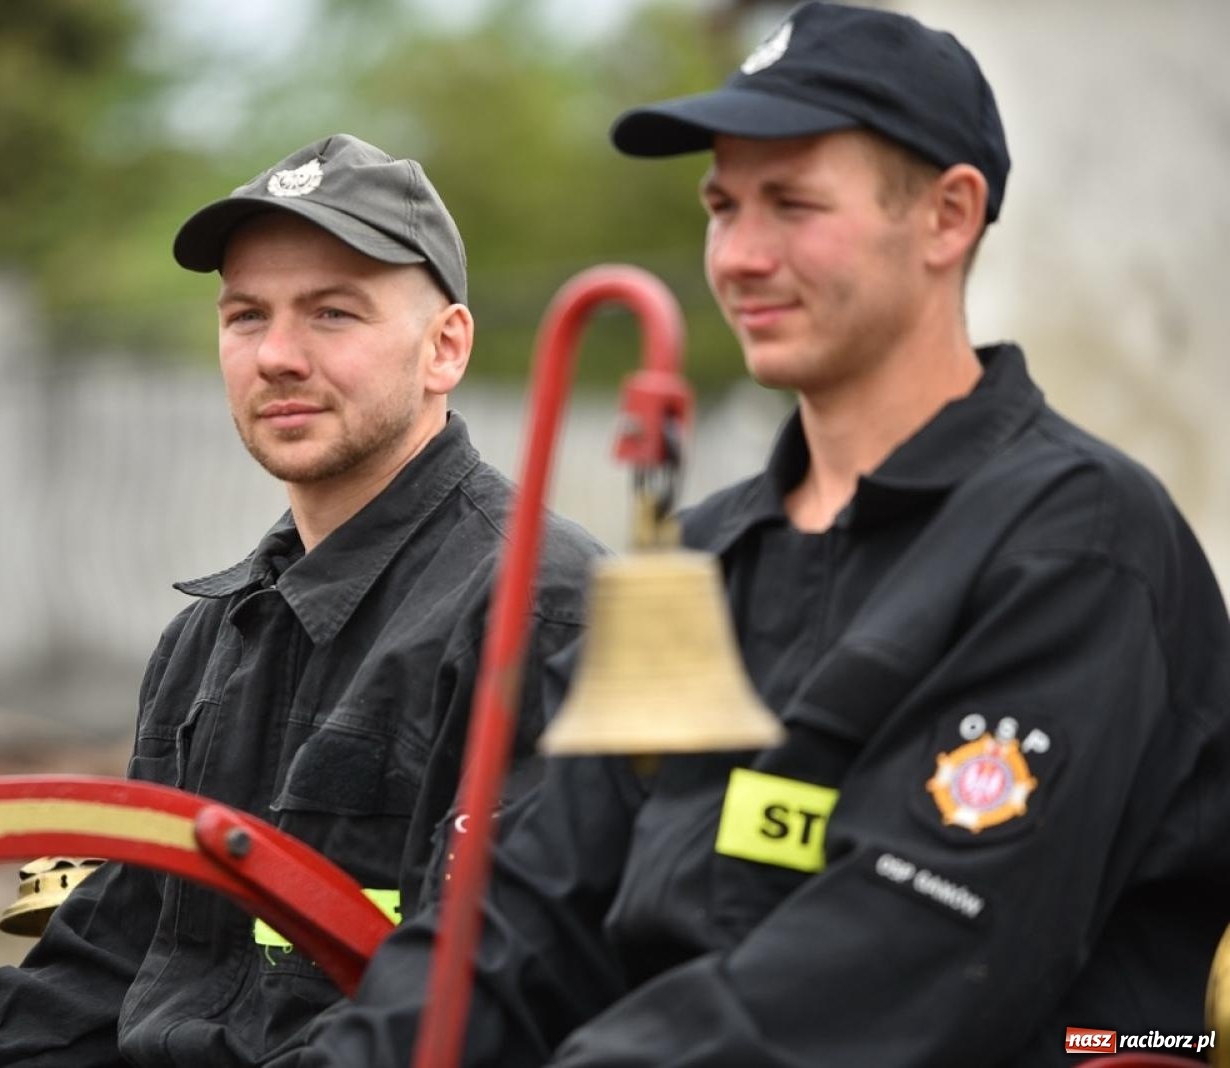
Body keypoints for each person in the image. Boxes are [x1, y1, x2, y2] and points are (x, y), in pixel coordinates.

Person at [286, 5, 1230, 1066]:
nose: (737, 254)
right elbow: (521, 915)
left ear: (947, 217)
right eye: (721, 205)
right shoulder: (691, 566)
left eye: (791, 204)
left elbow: (890, 968)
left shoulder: (1078, 546)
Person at [0, 134, 601, 1067]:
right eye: (246, 316)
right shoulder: (204, 644)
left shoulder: (541, 617)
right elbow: (107, 964)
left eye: (333, 313)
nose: (277, 355)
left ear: (445, 347)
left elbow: (482, 1006)